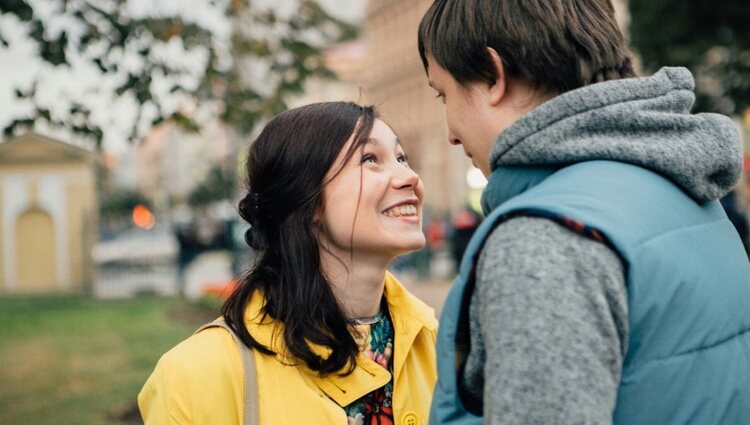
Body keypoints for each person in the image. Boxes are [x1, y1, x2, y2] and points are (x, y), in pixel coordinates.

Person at [417, 1, 750, 424]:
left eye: (444, 94)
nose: (448, 132)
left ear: (493, 74)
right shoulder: (688, 193)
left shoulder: (544, 237)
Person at [138, 102, 438, 424]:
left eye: (401, 158)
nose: (409, 178)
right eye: (369, 159)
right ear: (307, 200)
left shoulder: (436, 343)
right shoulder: (195, 376)